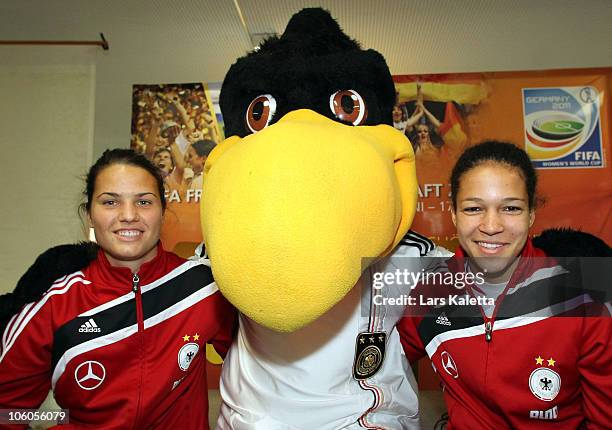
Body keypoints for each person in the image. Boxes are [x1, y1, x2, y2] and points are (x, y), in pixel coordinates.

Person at [0, 149, 235, 429]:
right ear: (89, 215)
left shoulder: (202, 287)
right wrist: (62, 421)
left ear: (163, 211)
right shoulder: (53, 303)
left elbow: (260, 370)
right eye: (110, 202)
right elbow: (7, 412)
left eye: (144, 202)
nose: (128, 215)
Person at [398, 141, 611, 429]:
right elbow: (381, 368)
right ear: (453, 215)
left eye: (510, 208)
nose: (491, 225)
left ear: (531, 214)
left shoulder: (580, 300)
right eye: (474, 208)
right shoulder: (429, 293)